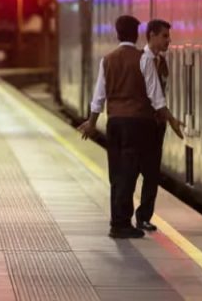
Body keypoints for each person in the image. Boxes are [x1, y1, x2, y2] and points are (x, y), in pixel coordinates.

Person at [77, 15, 183, 239]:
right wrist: (172, 120)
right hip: (137, 124)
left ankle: (118, 220)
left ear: (117, 33)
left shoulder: (107, 59)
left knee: (117, 174)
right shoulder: (143, 59)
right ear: (136, 34)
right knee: (130, 173)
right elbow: (156, 98)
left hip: (114, 123)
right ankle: (122, 224)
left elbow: (99, 97)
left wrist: (92, 122)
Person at [136, 19, 172, 231]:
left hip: (156, 124)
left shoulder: (162, 62)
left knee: (151, 172)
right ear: (151, 36)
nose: (168, 40)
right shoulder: (143, 61)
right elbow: (151, 95)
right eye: (164, 36)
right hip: (143, 123)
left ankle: (144, 216)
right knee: (137, 170)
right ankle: (130, 215)